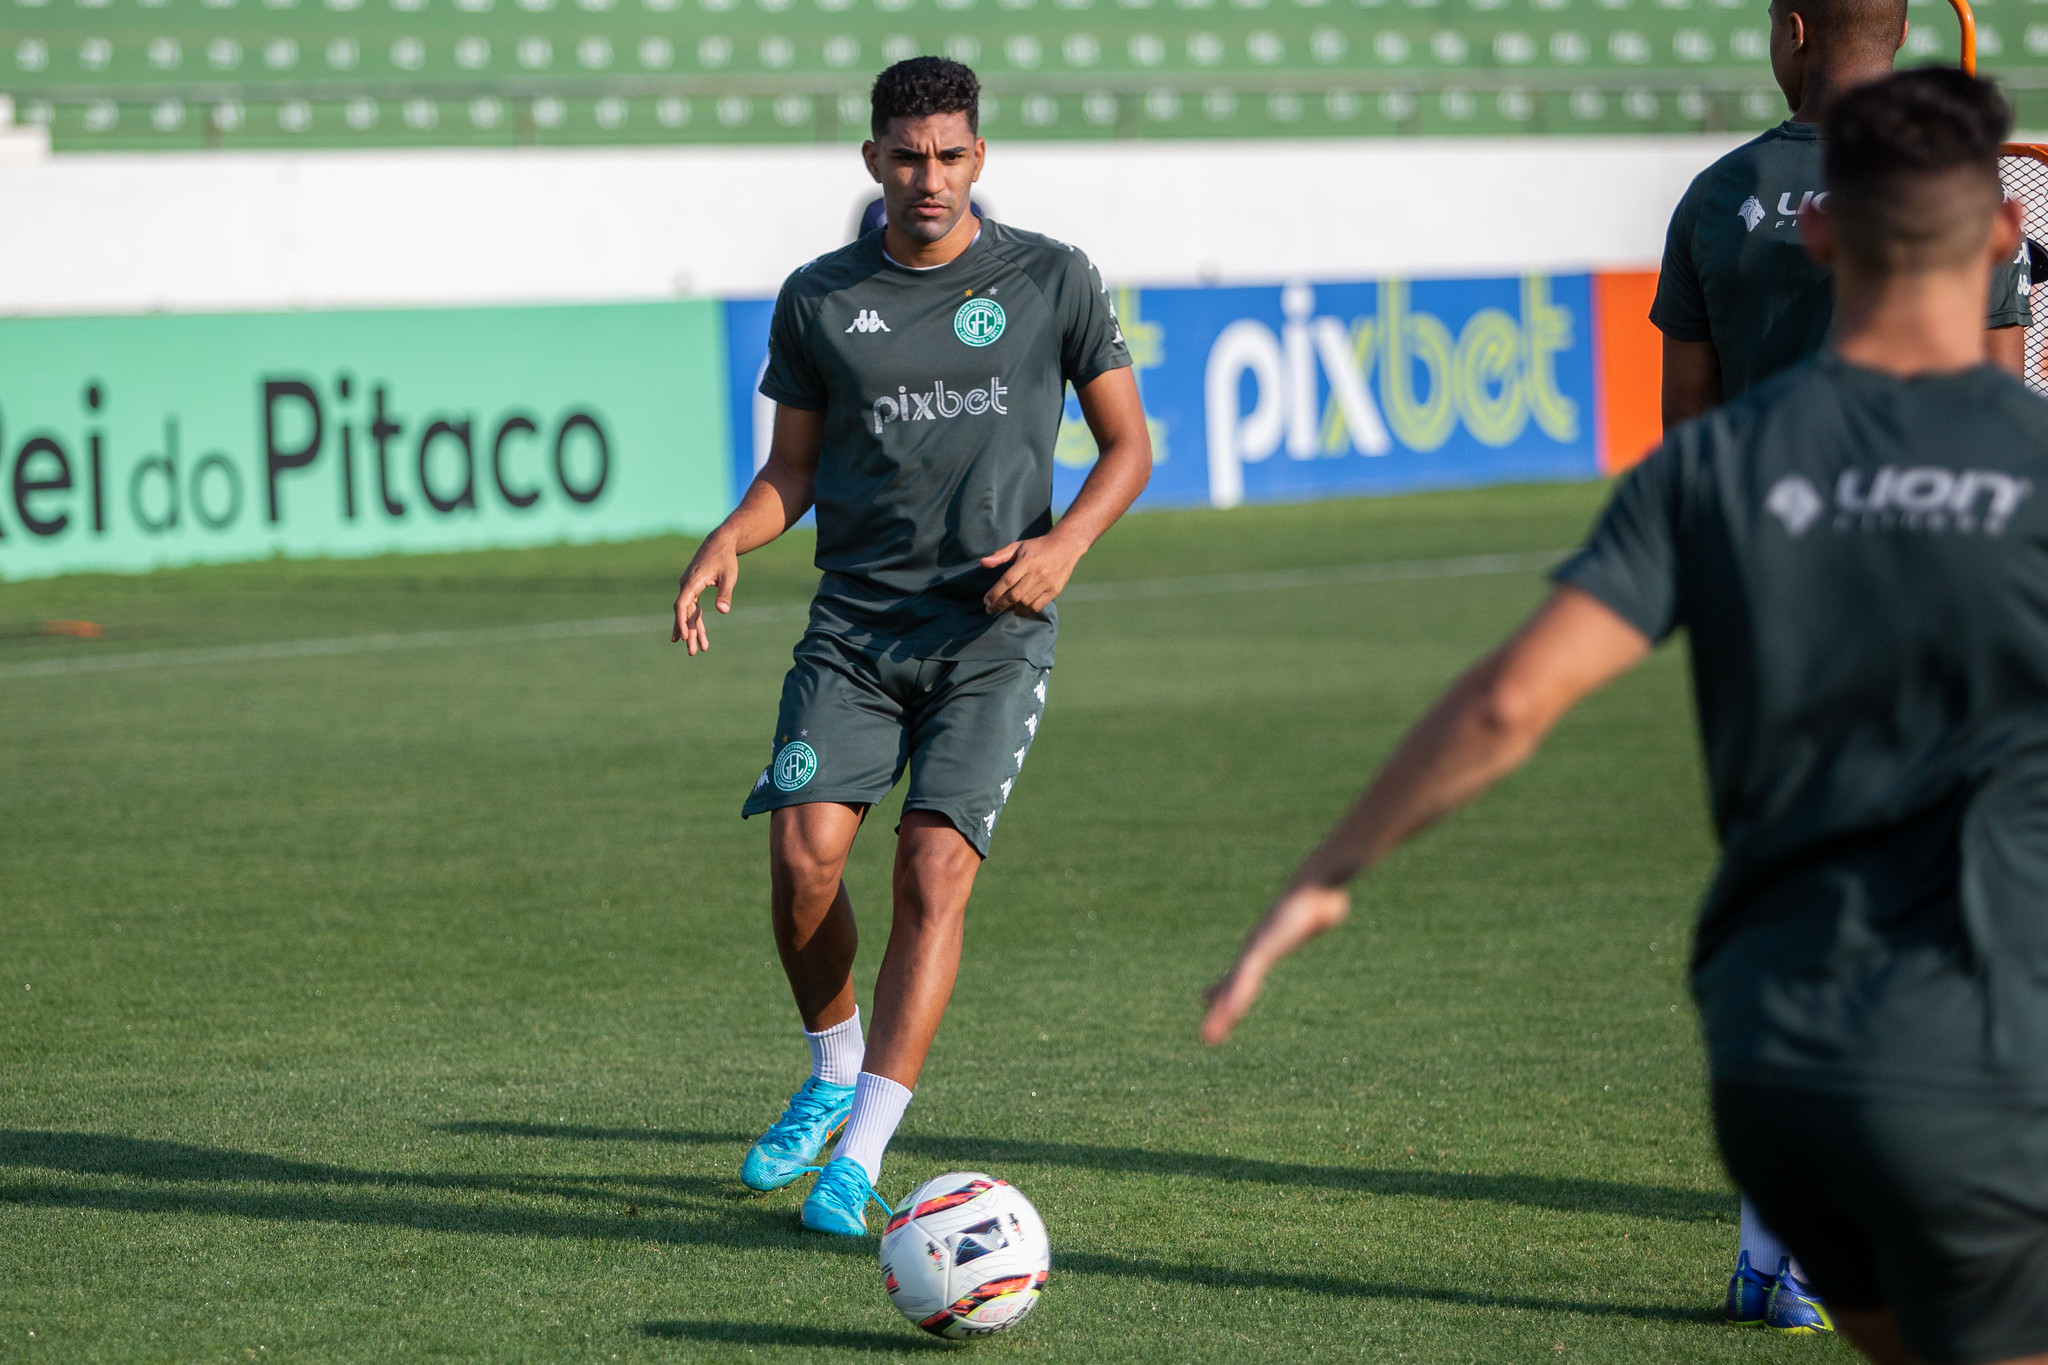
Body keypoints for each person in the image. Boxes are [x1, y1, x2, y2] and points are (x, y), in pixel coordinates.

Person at [1204, 68, 2048, 1365]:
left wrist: (1328, 871)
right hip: (1993, 1046)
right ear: (2005, 239)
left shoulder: (1713, 466)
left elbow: (1505, 701)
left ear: (1820, 233)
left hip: (1780, 1071)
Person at [671, 56, 1151, 1236]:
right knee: (800, 866)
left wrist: (1065, 547)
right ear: (871, 159)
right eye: (905, 156)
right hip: (853, 629)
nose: (927, 176)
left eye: (948, 155)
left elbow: (1128, 447)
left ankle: (861, 1155)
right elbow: (791, 473)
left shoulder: (1050, 279)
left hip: (992, 632)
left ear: (976, 156)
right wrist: (731, 536)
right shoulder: (819, 298)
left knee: (930, 872)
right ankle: (833, 1069)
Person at [1653, 0, 2033, 1324]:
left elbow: (1682, 443)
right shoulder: (1951, 192)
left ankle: (1780, 1248)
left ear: (1795, 29)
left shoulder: (1715, 195)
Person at [1657, 0, 2031, 436]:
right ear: (1903, 32)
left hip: (1759, 496)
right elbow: (2001, 408)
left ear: (1796, 33)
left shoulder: (1714, 193)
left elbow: (1687, 418)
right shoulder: (1964, 188)